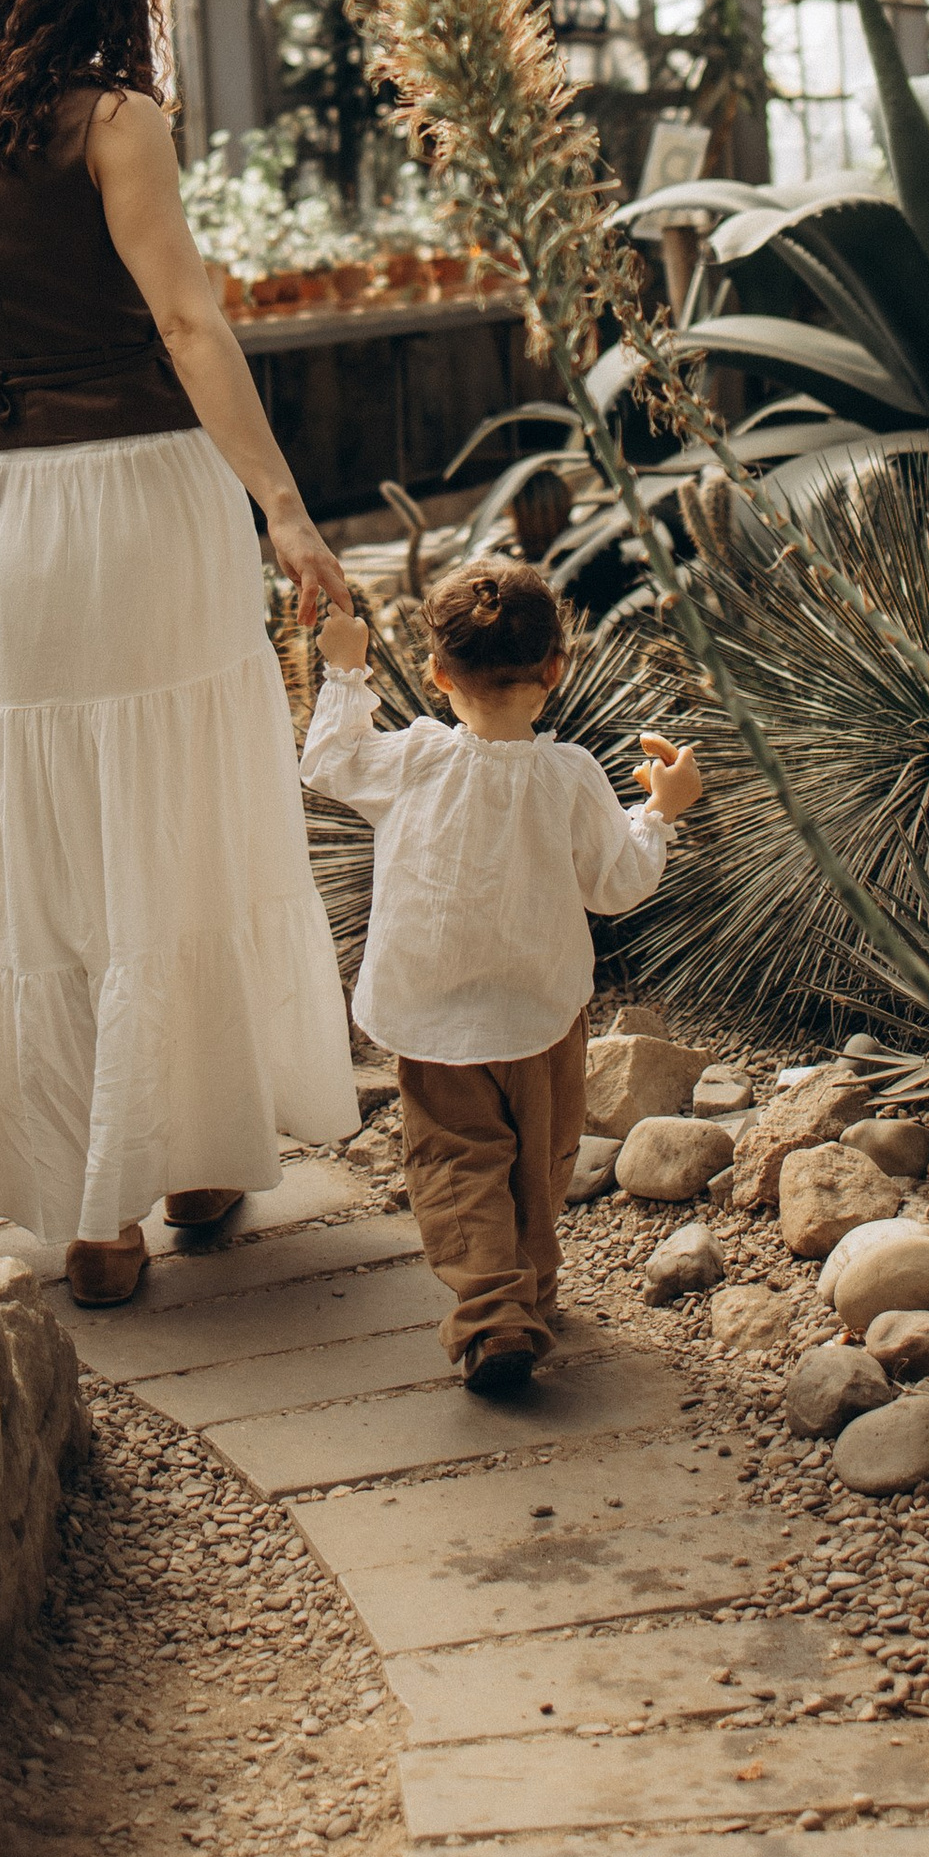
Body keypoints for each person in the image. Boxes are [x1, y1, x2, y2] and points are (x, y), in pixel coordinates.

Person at [0, 0, 360, 1310]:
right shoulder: (121, 123)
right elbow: (187, 322)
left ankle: (90, 1217)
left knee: (35, 852)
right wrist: (289, 512)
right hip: (148, 498)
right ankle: (191, 1166)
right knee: (178, 816)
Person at [301, 561, 703, 1395]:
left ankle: (497, 1308)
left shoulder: (411, 760)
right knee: (542, 1157)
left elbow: (329, 761)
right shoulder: (572, 776)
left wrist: (345, 664)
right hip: (542, 1014)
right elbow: (616, 885)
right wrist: (660, 810)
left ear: (438, 674)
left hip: (434, 1015)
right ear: (555, 670)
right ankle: (516, 1299)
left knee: (457, 1161)